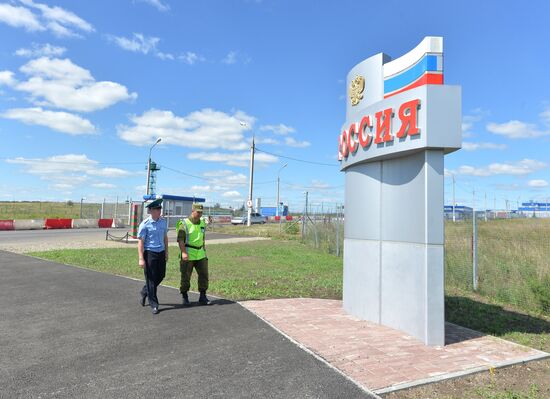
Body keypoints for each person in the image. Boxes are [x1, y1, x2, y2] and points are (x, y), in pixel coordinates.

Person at [138, 198, 169, 315]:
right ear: (150, 210)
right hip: (150, 253)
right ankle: (154, 304)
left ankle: (145, 291)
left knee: (161, 275)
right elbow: (140, 242)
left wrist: (167, 252)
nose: (159, 211)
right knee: (151, 279)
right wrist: (141, 258)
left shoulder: (163, 222)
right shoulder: (145, 224)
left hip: (161, 252)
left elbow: (165, 237)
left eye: (160, 209)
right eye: (156, 209)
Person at [177, 203, 210, 306]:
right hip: (188, 253)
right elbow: (180, 240)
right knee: (186, 276)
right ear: (192, 211)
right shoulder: (184, 223)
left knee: (204, 275)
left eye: (201, 212)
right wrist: (183, 253)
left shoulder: (202, 223)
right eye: (198, 212)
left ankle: (203, 296)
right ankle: (185, 295)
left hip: (200, 254)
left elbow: (202, 237)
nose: (199, 214)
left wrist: (204, 250)